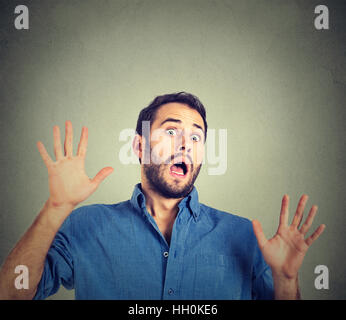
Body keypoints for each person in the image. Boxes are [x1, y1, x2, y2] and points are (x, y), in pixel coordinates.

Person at [0, 92, 325, 300]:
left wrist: (285, 281)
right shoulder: (86, 225)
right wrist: (55, 208)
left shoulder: (243, 236)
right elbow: (11, 294)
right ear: (140, 146)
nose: (186, 143)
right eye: (171, 131)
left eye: (196, 137)